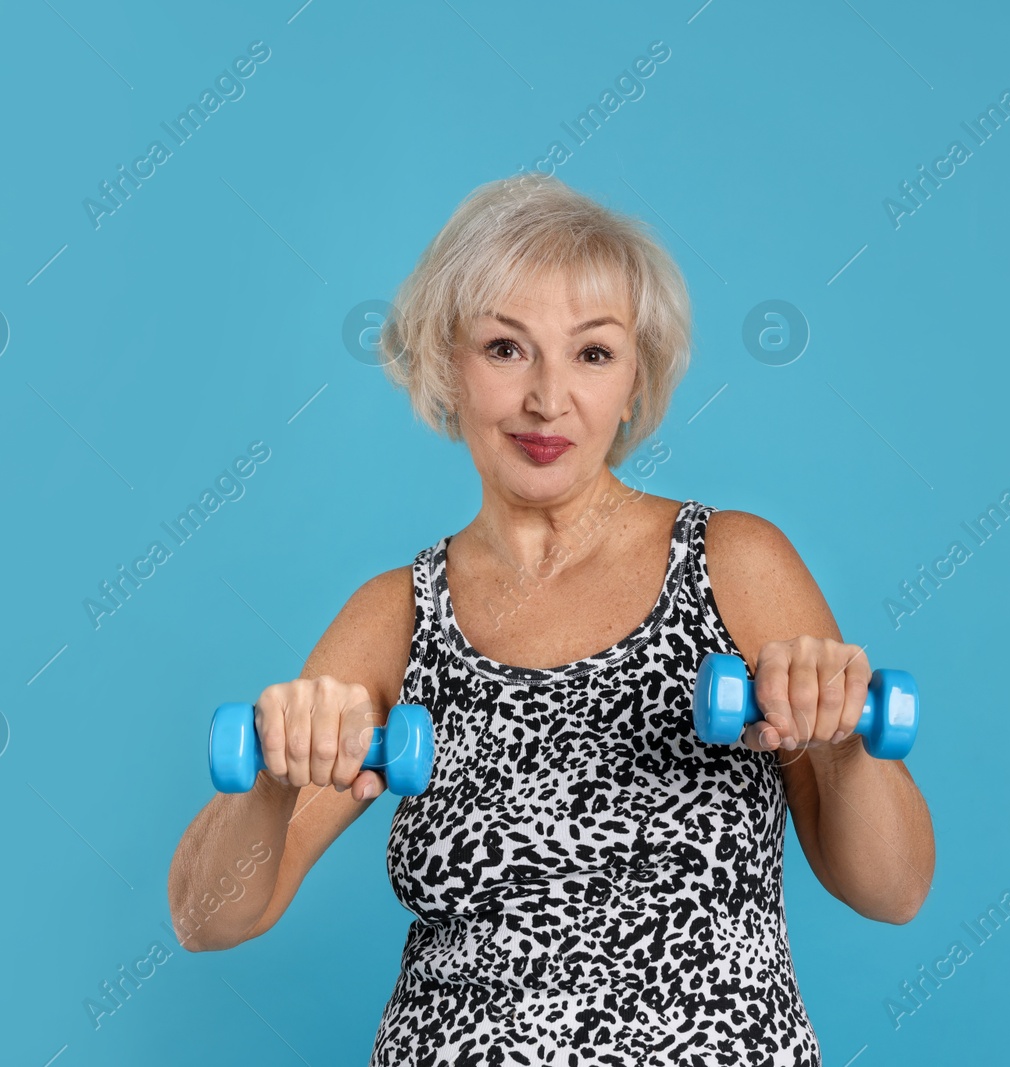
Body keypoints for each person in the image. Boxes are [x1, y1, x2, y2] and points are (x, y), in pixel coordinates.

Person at [167, 173, 936, 1064]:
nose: (547, 398)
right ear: (445, 362)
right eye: (505, 348)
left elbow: (895, 891)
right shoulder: (395, 618)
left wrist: (839, 738)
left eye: (593, 354)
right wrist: (270, 779)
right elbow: (204, 918)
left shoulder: (735, 564)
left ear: (635, 375)